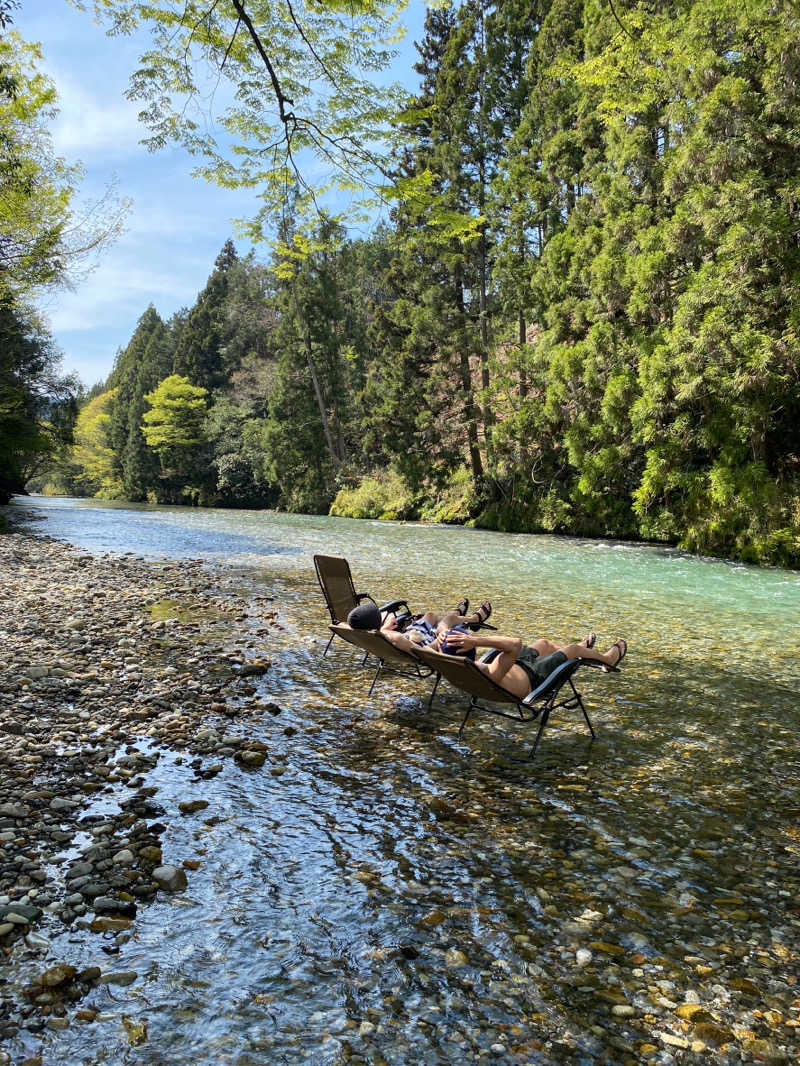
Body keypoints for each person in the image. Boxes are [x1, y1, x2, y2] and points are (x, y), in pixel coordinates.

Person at [441, 628, 627, 697]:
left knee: (543, 644)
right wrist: (475, 640)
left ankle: (585, 651)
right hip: (533, 676)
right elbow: (515, 643)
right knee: (573, 649)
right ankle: (607, 660)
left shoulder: (447, 664)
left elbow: (419, 648)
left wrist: (441, 633)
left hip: (515, 667)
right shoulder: (487, 672)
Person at [347, 598, 492, 654]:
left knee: (429, 615)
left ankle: (457, 613)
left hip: (413, 634)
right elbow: (423, 652)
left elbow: (390, 635)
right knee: (446, 621)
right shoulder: (395, 638)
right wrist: (440, 639)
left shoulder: (374, 634)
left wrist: (384, 628)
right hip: (424, 642)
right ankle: (473, 619)